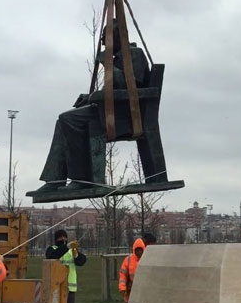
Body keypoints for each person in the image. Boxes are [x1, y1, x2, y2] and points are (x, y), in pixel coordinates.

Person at [31, 24, 152, 194]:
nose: (102, 41)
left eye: (105, 37)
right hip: (109, 111)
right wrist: (89, 97)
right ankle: (54, 179)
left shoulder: (134, 54)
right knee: (62, 121)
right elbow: (113, 89)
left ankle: (80, 180)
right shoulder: (118, 57)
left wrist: (107, 64)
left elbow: (128, 86)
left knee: (68, 120)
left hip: (126, 116)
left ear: (117, 37)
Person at [45, 229, 87, 303]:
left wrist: (76, 255)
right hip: (55, 288)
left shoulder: (70, 251)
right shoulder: (52, 249)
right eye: (60, 237)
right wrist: (66, 247)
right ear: (56, 239)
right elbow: (51, 257)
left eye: (64, 237)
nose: (63, 239)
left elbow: (82, 261)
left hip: (69, 288)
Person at [118, 238, 146, 303]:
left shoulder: (147, 259)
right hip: (130, 291)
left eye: (140, 250)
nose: (139, 252)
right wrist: (122, 287)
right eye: (137, 250)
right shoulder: (128, 260)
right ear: (134, 250)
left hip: (143, 291)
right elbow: (123, 275)